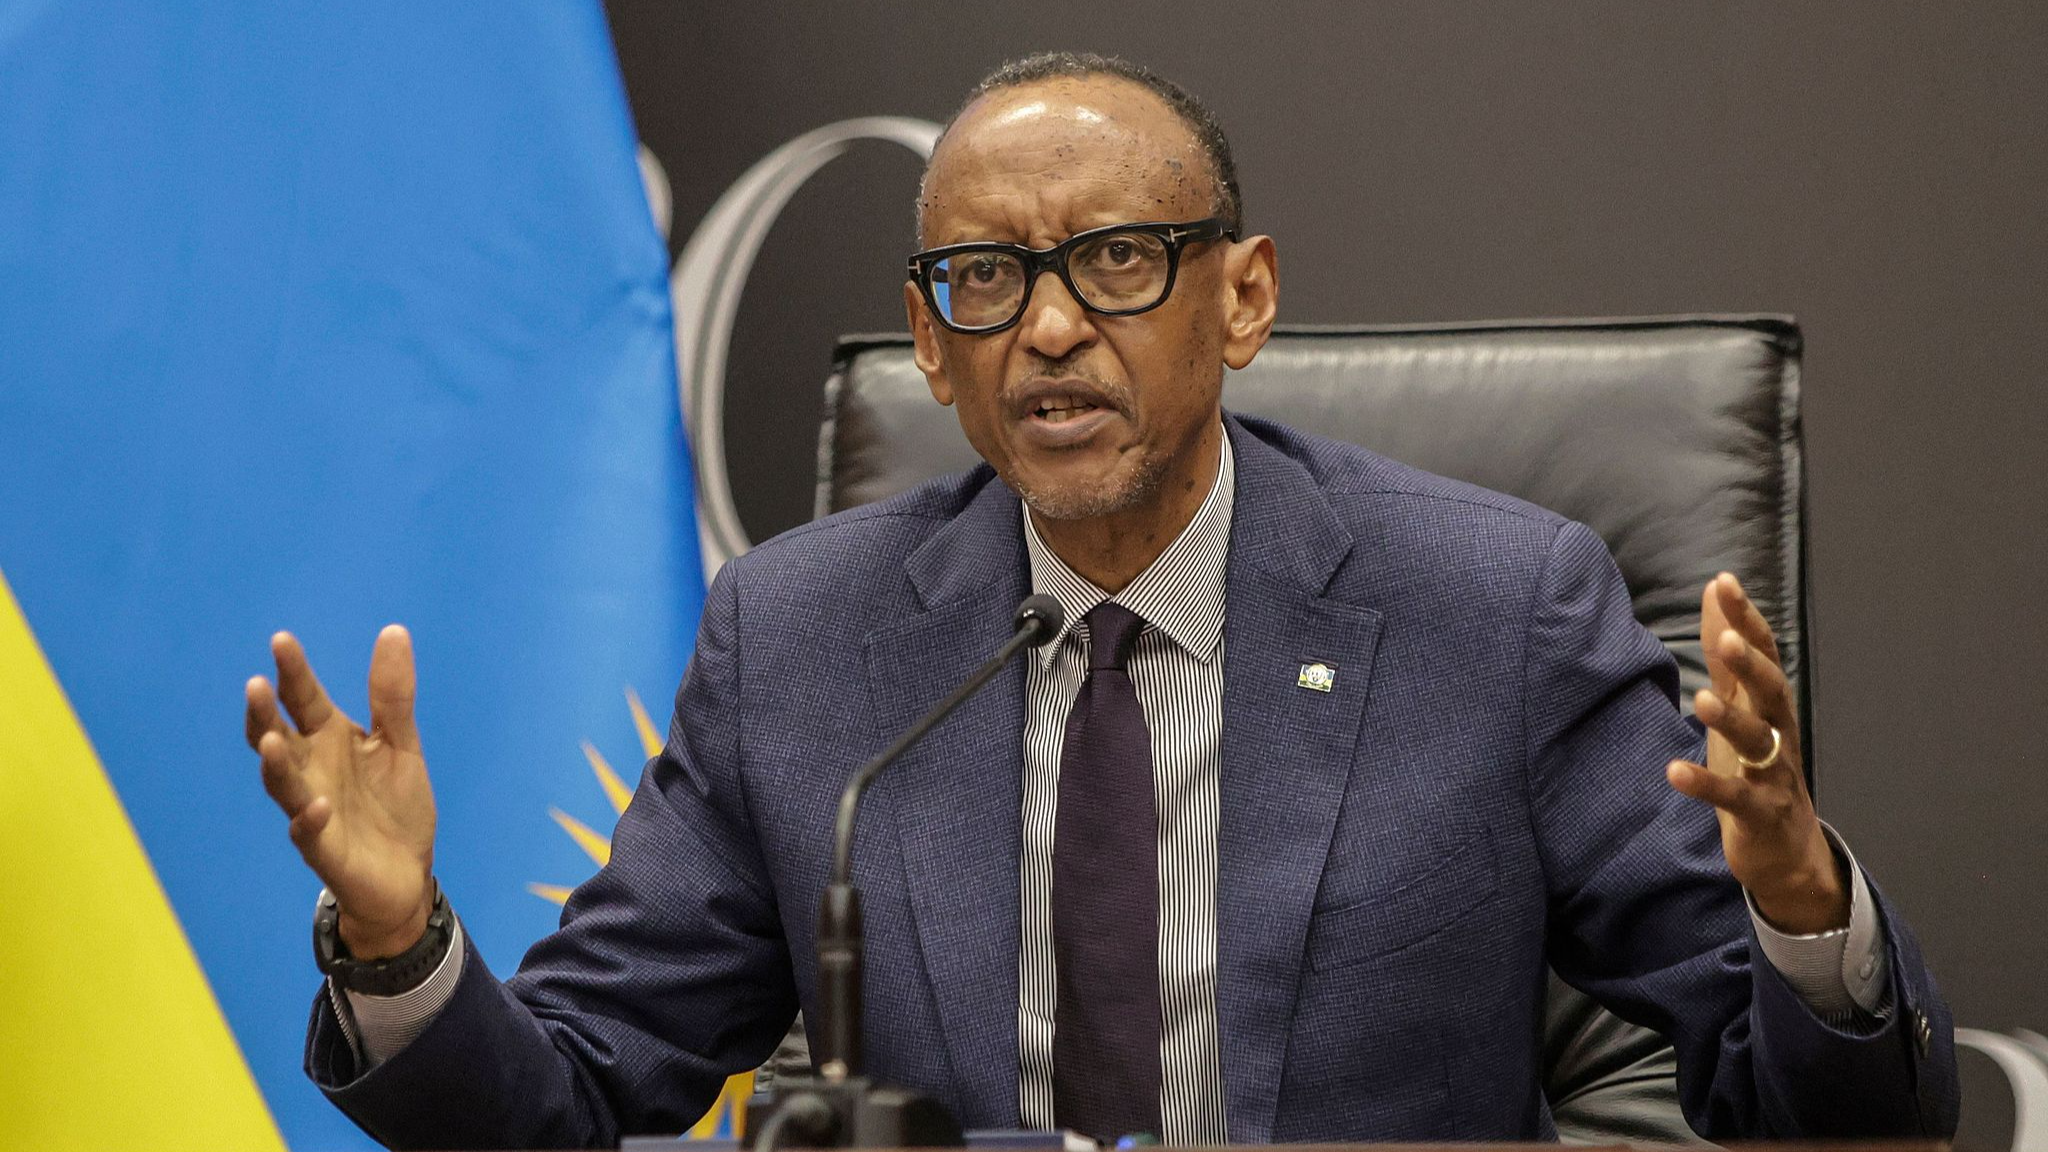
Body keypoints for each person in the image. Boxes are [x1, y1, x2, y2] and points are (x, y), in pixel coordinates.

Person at [246, 53, 1959, 1149]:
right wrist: (401, 942)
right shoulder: (804, 642)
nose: (1051, 328)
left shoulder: (1493, 611)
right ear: (932, 346)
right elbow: (558, 1105)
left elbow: (1839, 1115)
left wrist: (1803, 905)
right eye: (986, 279)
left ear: (1244, 298)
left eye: (1117, 260)